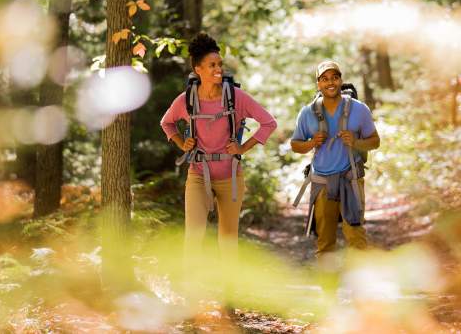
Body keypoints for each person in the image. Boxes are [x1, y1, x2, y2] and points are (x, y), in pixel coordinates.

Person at [160, 32, 277, 260]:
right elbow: (167, 123)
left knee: (228, 239)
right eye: (211, 65)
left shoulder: (236, 97)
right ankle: (190, 292)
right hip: (197, 175)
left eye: (219, 64)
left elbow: (269, 123)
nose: (218, 69)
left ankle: (230, 292)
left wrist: (243, 148)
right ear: (198, 69)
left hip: (230, 177)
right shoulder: (186, 100)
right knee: (193, 237)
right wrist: (183, 143)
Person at [291, 60, 380, 258]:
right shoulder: (307, 113)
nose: (330, 82)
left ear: (340, 80)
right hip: (322, 182)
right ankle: (327, 287)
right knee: (324, 240)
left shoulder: (359, 109)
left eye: (334, 77)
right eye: (324, 79)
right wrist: (311, 142)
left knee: (356, 235)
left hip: (351, 179)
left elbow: (375, 141)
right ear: (318, 84)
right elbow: (295, 145)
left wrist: (356, 141)